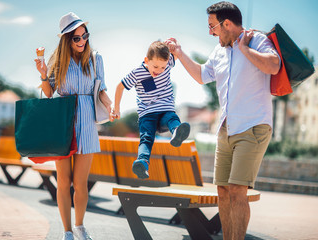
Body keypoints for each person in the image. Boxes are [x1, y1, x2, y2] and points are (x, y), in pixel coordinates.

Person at [165, 2, 280, 239]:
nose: (210, 32)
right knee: (223, 191)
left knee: (238, 190)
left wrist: (245, 49)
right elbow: (200, 75)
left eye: (212, 26)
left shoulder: (256, 40)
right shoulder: (219, 51)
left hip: (253, 126)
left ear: (226, 23)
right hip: (226, 128)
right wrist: (179, 53)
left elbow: (274, 65)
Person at [34, 12, 112, 240]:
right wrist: (42, 75)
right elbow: (48, 93)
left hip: (87, 123)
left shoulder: (96, 59)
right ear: (66, 39)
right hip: (63, 123)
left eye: (84, 36)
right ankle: (67, 231)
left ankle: (79, 226)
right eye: (76, 38)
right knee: (64, 181)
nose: (82, 41)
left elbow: (102, 90)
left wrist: (111, 107)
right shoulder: (56, 61)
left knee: (80, 184)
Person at [112, 41, 190, 179]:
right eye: (155, 66)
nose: (159, 70)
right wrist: (116, 108)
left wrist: (173, 44)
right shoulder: (137, 73)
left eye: (163, 67)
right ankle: (142, 162)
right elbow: (120, 86)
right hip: (147, 114)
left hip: (165, 109)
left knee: (172, 118)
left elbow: (174, 55)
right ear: (146, 60)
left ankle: (177, 131)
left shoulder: (168, 62)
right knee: (146, 139)